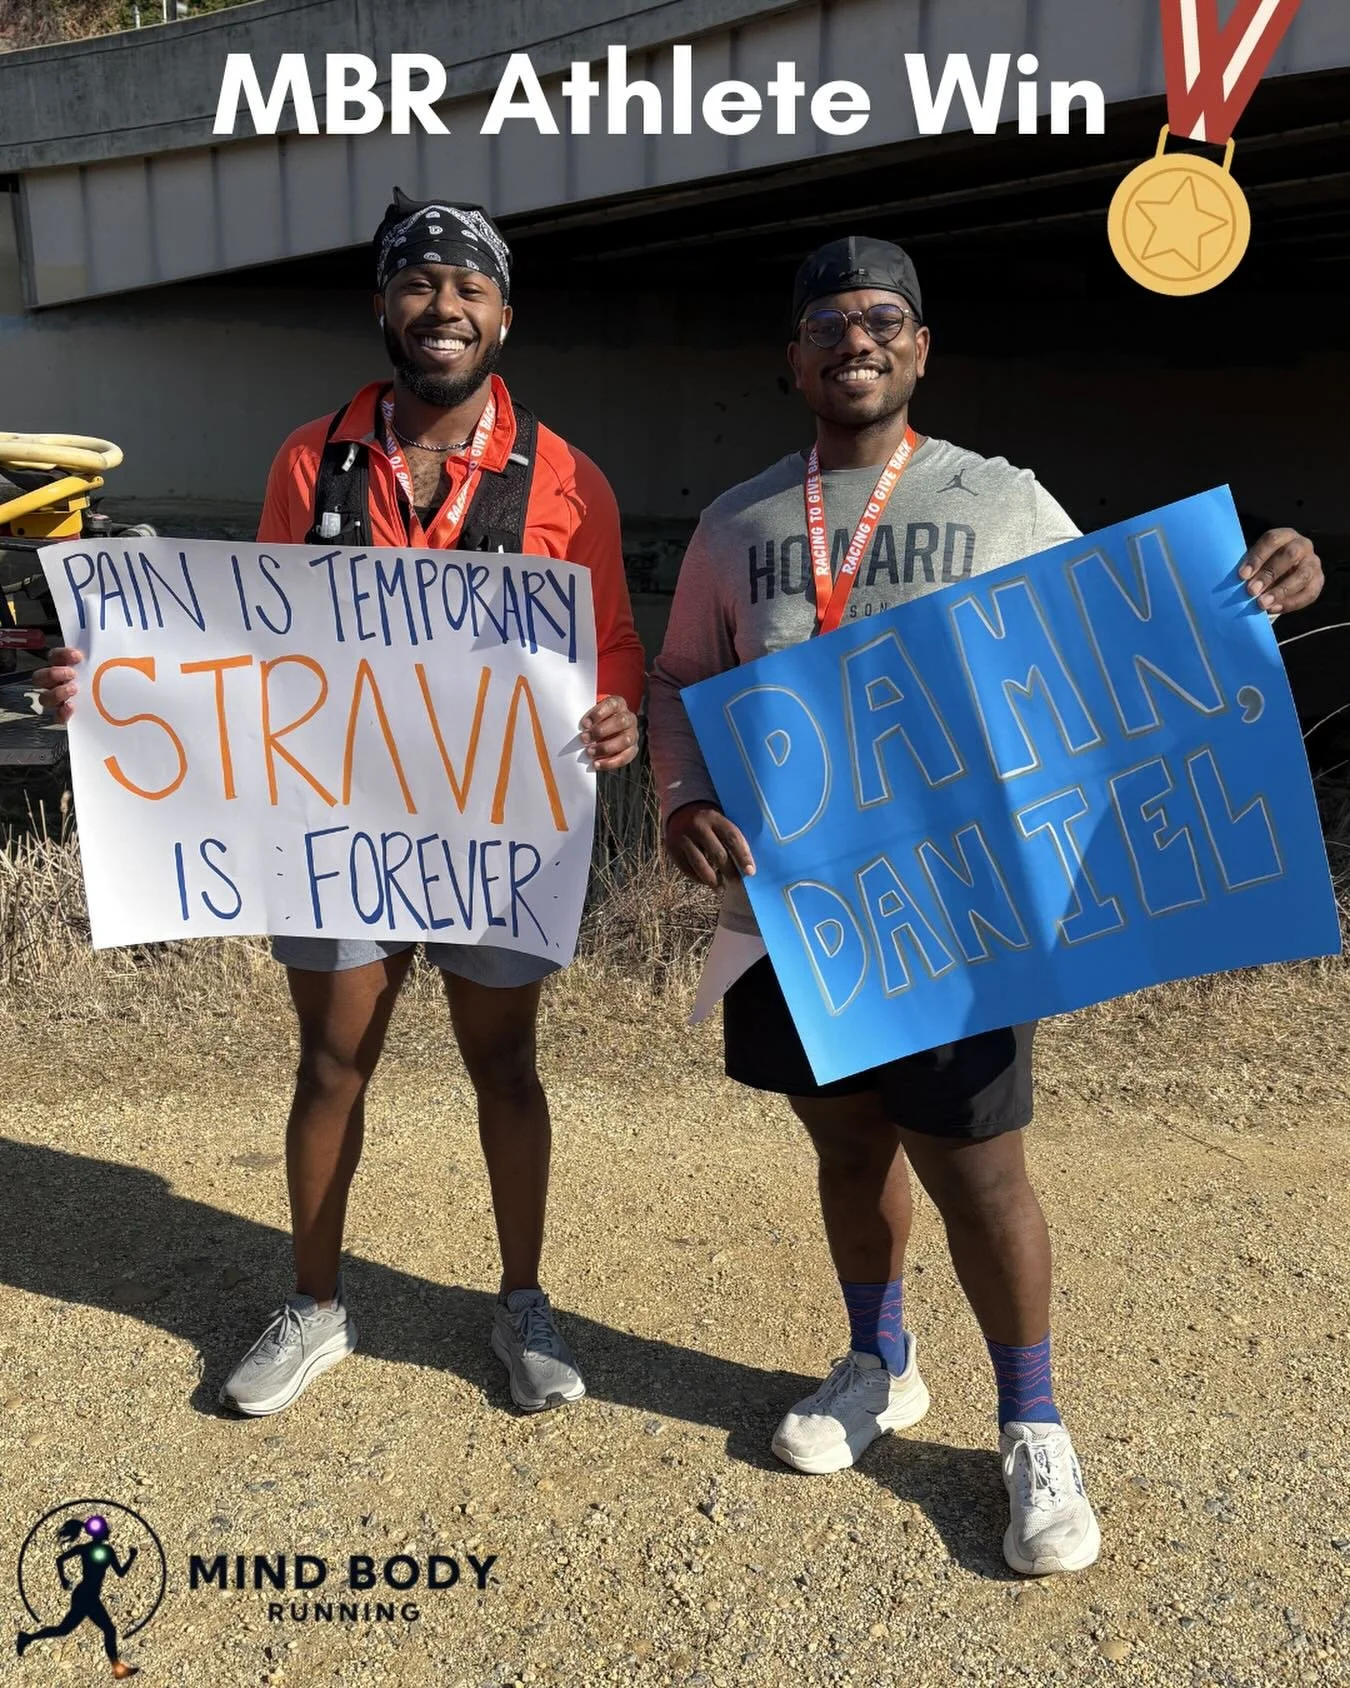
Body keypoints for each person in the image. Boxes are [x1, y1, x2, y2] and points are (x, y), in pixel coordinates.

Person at [645, 234, 1325, 1576]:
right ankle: (877, 1364)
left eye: (883, 318)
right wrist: (677, 800)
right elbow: (675, 681)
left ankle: (1032, 1423)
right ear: (791, 358)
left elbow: (1131, 630)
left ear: (919, 349)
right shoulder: (736, 527)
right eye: (828, 321)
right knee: (846, 1156)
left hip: (961, 919)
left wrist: (1260, 579)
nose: (857, 337)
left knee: (980, 1173)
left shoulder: (1004, 501)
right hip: (799, 921)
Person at [35, 189, 646, 1419]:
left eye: (470, 287)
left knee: (507, 1069)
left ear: (505, 317)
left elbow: (613, 640)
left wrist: (618, 714)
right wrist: (108, 681)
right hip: (336, 822)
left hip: (494, 828)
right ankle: (314, 1304)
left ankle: (522, 1301)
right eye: (420, 283)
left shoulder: (568, 477)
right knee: (330, 1065)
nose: (444, 308)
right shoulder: (310, 459)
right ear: (383, 304)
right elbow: (234, 637)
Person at [16, 1514, 140, 1678]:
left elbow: (59, 1560)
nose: (109, 1531)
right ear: (103, 1533)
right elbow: (121, 1573)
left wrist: (64, 1579)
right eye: (107, 1529)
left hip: (83, 1593)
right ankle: (118, 1669)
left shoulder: (85, 1548)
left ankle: (27, 1638)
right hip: (88, 1596)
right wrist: (132, 1556)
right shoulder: (107, 1551)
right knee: (108, 1630)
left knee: (64, 1629)